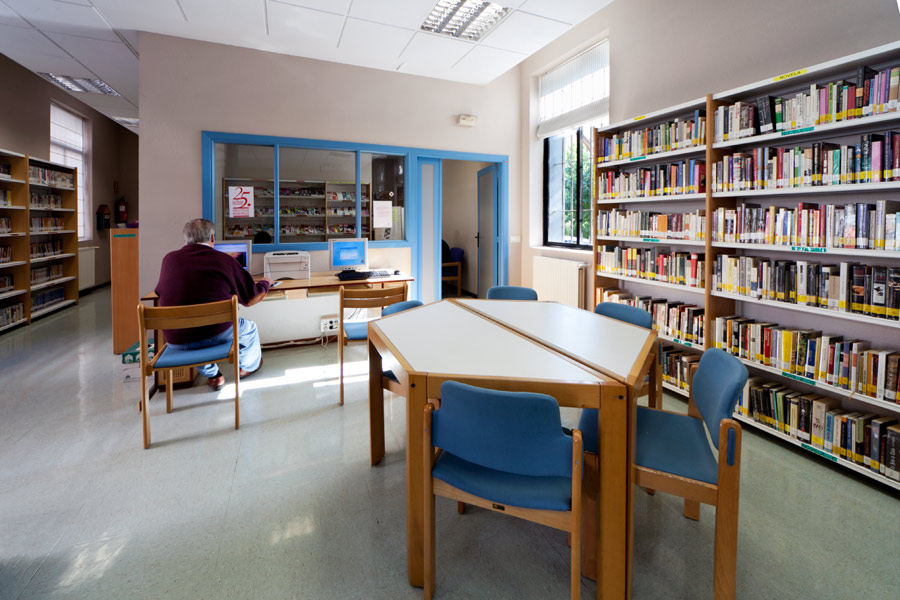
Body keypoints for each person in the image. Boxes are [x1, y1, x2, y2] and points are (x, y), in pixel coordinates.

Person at [155, 218, 273, 390]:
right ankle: (248, 368)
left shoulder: (169, 259)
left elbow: (160, 292)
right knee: (249, 328)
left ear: (185, 239)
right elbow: (250, 298)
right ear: (212, 238)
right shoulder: (224, 260)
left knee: (191, 329)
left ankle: (214, 376)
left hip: (177, 340)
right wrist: (265, 283)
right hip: (216, 333)